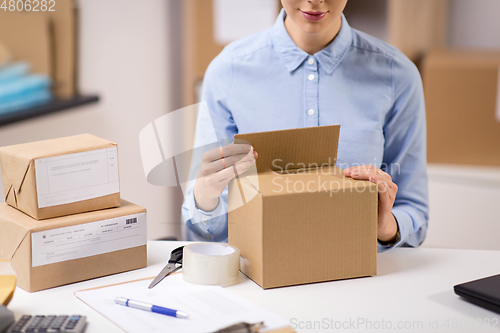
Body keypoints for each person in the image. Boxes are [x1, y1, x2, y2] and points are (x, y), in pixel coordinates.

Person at [181, 0, 428, 252]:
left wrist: (386, 227)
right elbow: (203, 232)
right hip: (259, 277)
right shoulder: (227, 71)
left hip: (359, 274)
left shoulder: (397, 75)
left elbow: (414, 212)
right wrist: (205, 198)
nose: (314, 0)